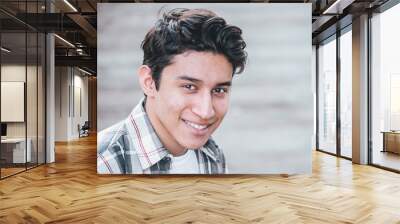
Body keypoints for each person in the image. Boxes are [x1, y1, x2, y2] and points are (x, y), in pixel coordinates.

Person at [97, 8, 247, 174]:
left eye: (219, 89)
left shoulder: (213, 154)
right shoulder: (104, 163)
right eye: (189, 87)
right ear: (149, 82)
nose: (205, 112)